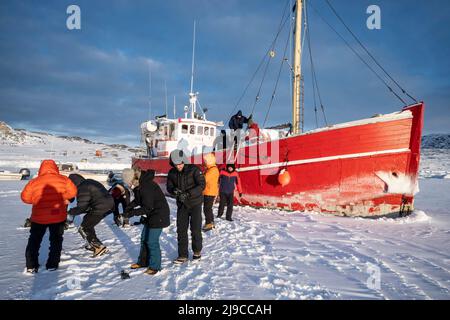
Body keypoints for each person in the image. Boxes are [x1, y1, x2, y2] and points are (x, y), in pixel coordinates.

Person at [21, 160, 78, 273]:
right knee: (56, 241)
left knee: (34, 241)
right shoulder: (64, 179)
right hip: (57, 216)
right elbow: (72, 193)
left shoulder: (34, 182)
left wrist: (37, 200)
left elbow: (25, 198)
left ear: (41, 168)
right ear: (55, 168)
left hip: (38, 217)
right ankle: (52, 264)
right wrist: (62, 197)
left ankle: (31, 266)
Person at [124, 169, 170, 275]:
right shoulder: (139, 185)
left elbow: (147, 207)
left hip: (159, 216)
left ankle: (155, 266)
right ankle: (143, 262)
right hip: (151, 215)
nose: (129, 185)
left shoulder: (146, 186)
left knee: (152, 241)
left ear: (133, 179)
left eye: (129, 182)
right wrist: (129, 207)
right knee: (144, 238)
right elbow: (139, 200)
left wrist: (131, 213)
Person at [167, 149, 205, 264]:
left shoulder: (194, 170)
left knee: (195, 229)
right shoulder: (172, 173)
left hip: (195, 204)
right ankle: (182, 255)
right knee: (181, 229)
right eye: (175, 164)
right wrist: (175, 191)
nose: (178, 166)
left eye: (180, 164)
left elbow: (202, 185)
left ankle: (197, 251)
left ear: (184, 161)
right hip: (182, 205)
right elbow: (169, 187)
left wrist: (188, 193)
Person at [68, 174, 114, 257]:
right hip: (109, 204)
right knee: (88, 222)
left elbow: (81, 207)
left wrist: (70, 212)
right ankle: (93, 244)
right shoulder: (89, 182)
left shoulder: (82, 188)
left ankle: (99, 247)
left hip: (100, 207)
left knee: (84, 227)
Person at [202, 153, 219, 232]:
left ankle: (209, 223)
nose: (204, 162)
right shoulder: (211, 169)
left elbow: (204, 179)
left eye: (205, 161)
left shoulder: (212, 170)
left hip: (209, 192)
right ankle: (211, 222)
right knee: (208, 208)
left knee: (207, 209)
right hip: (209, 191)